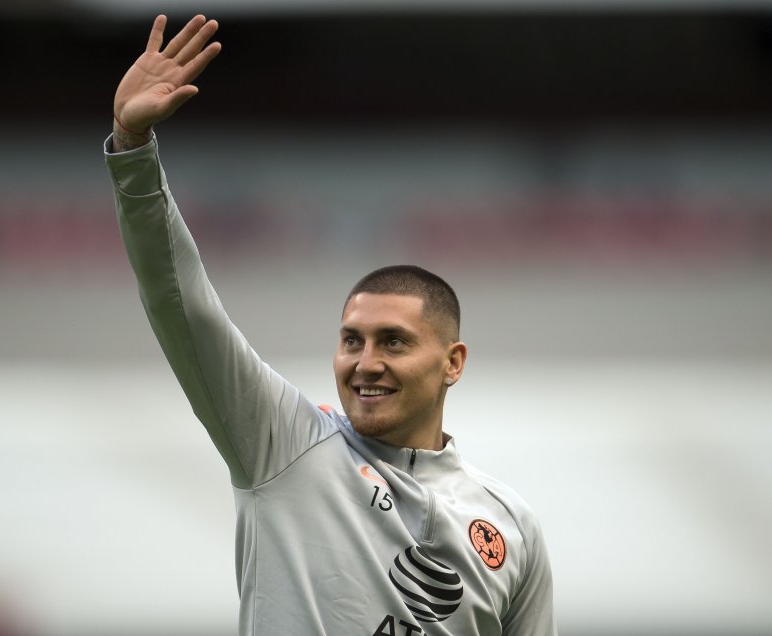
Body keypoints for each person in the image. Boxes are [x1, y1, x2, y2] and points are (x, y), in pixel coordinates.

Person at [105, 14, 557, 636]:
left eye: (393, 341)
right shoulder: (284, 444)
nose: (364, 362)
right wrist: (132, 149)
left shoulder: (511, 526)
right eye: (351, 341)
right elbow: (180, 302)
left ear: (453, 362)